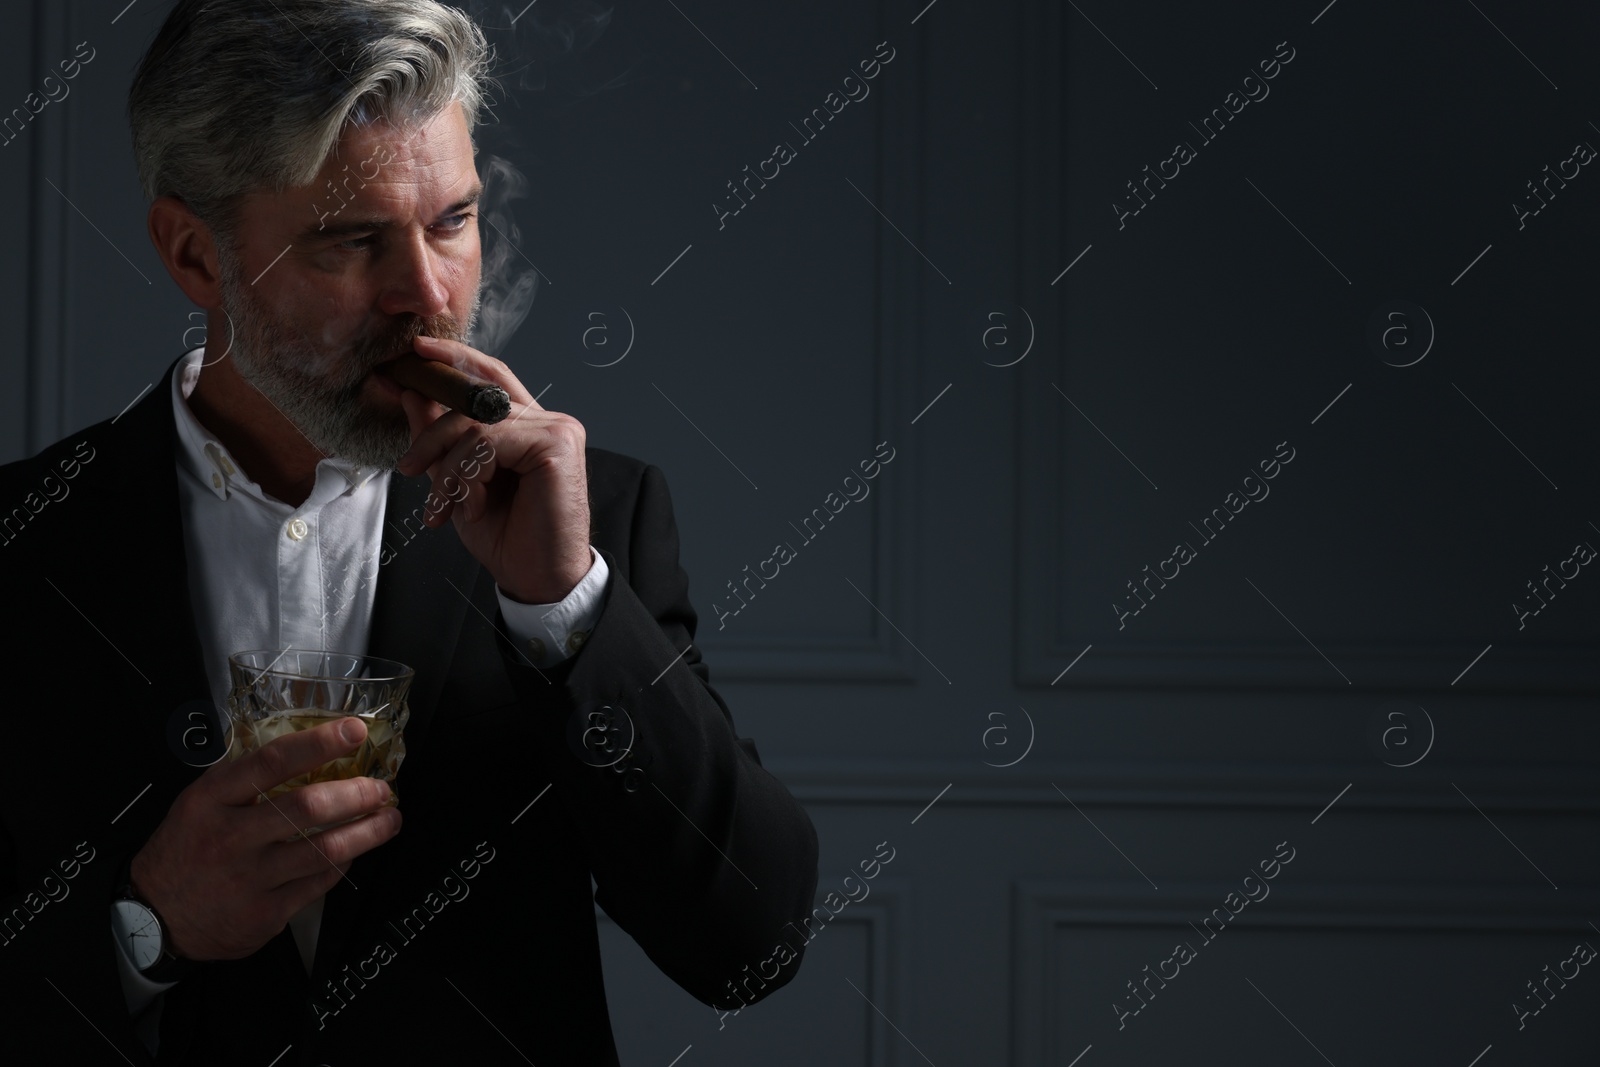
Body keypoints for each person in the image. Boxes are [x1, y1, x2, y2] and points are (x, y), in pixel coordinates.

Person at [0, 1, 820, 1063]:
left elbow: (748, 947)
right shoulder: (23, 548)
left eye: (452, 221)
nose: (428, 296)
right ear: (196, 256)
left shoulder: (590, 520)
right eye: (350, 241)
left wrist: (565, 611)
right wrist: (146, 925)